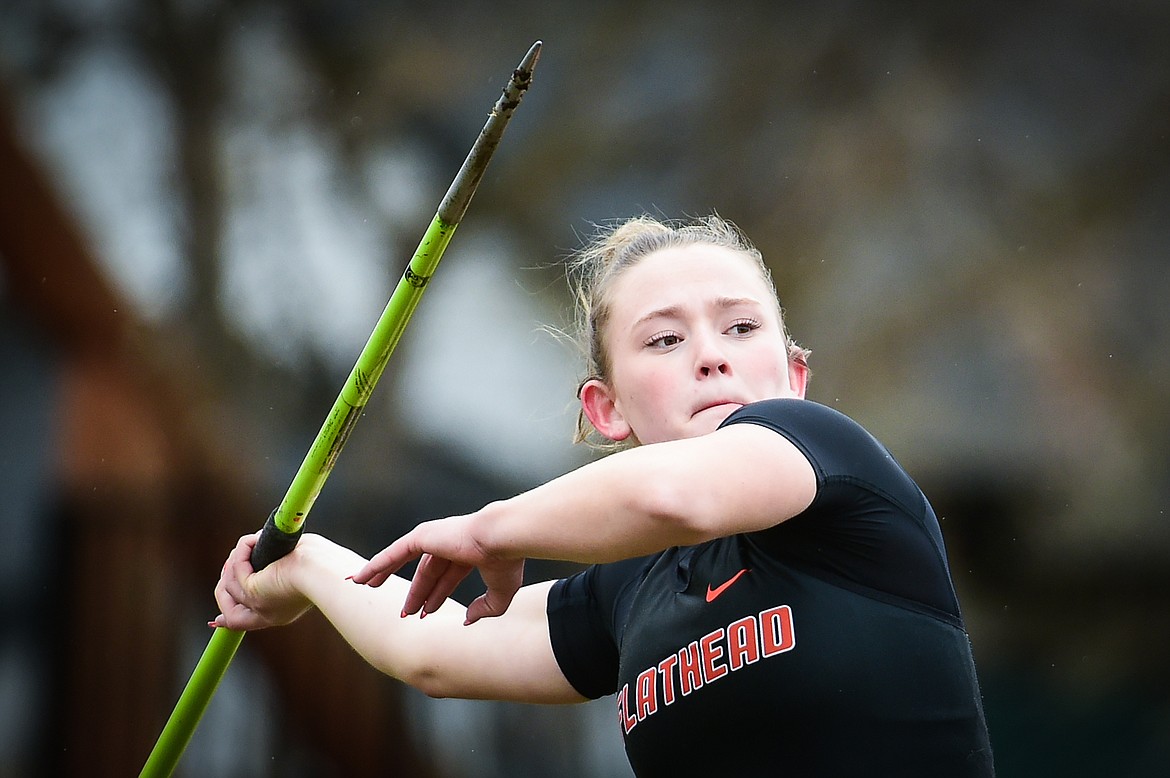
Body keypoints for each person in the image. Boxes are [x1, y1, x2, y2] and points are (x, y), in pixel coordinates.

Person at [213, 214, 995, 776]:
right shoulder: (631, 596)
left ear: (793, 378)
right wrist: (307, 568)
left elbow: (670, 498)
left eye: (741, 328)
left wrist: (490, 530)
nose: (712, 358)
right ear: (607, 409)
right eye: (665, 339)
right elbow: (434, 649)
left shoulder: (838, 468)